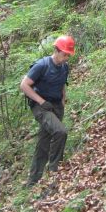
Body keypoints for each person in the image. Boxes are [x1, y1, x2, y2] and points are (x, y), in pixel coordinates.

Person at [21, 35, 74, 186]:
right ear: (56, 51)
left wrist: (63, 99)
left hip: (56, 105)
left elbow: (62, 83)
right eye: (64, 54)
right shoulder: (42, 65)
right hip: (41, 105)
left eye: (68, 55)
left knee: (44, 141)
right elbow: (24, 85)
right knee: (60, 132)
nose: (66, 58)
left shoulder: (64, 67)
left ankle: (33, 180)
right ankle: (55, 168)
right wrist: (41, 101)